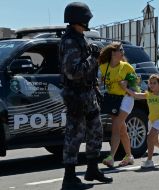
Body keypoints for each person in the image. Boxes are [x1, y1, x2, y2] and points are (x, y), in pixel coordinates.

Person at [59, 2, 112, 189]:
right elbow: (73, 71)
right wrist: (93, 57)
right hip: (76, 95)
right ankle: (69, 178)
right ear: (78, 18)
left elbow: (89, 70)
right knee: (74, 135)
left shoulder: (81, 38)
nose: (88, 21)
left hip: (88, 93)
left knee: (95, 131)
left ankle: (92, 169)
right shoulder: (70, 41)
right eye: (86, 17)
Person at [122, 74, 159, 168]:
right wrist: (125, 88)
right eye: (150, 83)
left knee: (150, 138)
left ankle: (149, 161)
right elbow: (135, 94)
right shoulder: (148, 95)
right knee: (155, 142)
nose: (152, 85)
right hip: (151, 120)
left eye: (154, 83)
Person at [99, 42, 135, 168]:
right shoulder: (103, 67)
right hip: (113, 99)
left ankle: (111, 157)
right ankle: (129, 156)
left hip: (126, 99)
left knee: (115, 126)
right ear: (113, 52)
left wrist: (127, 84)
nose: (123, 52)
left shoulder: (127, 67)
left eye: (123, 50)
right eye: (120, 50)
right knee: (122, 129)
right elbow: (98, 80)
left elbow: (135, 84)